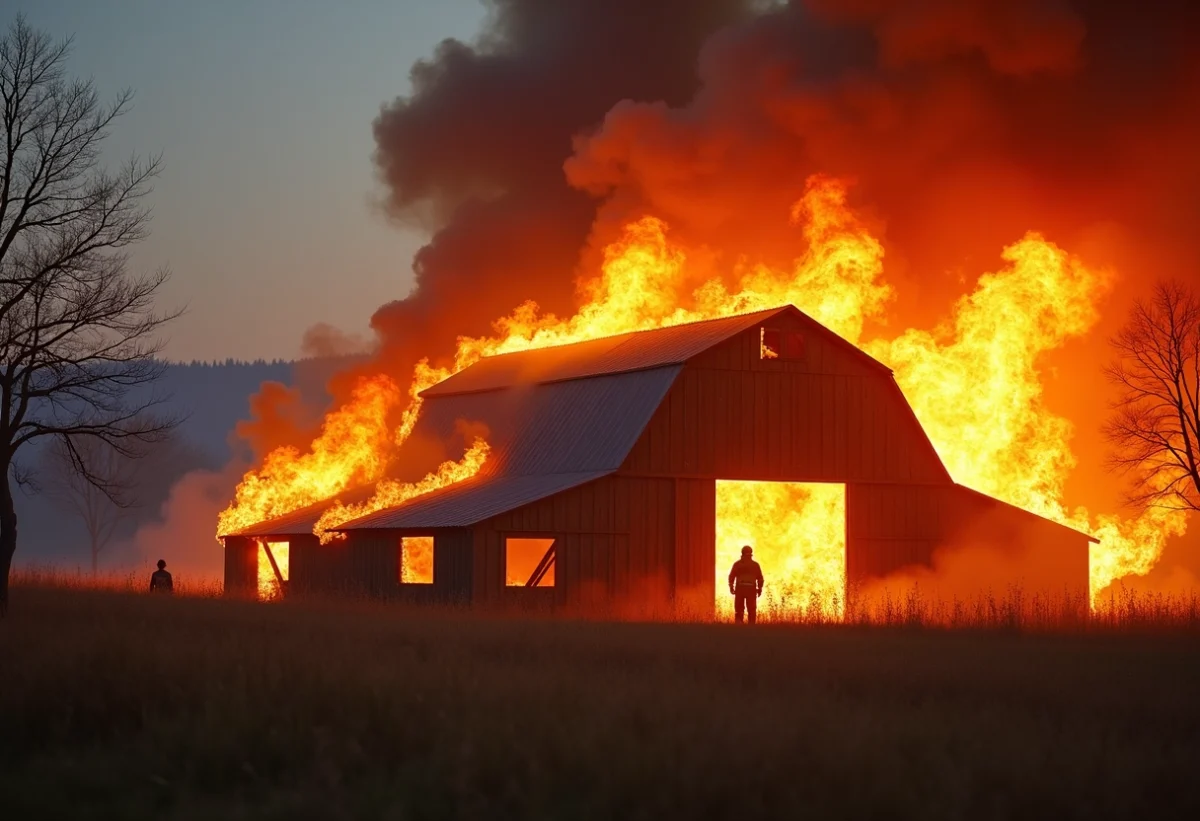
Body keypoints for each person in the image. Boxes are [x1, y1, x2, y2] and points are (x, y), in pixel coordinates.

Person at [728, 545, 764, 624]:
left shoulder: (737, 564)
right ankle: (751, 626)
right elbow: (760, 578)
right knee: (751, 610)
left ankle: (739, 626)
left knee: (739, 609)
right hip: (751, 589)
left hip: (740, 588)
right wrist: (760, 588)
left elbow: (731, 576)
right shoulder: (755, 565)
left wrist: (731, 586)